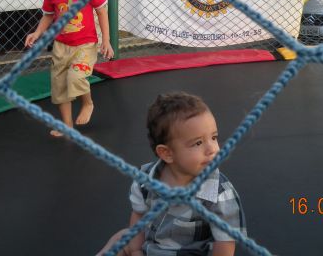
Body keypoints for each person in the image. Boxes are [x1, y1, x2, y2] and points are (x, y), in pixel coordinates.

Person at [97, 92, 246, 256]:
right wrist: (136, 250)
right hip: (150, 244)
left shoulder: (220, 194)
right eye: (198, 143)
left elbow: (225, 243)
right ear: (167, 153)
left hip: (188, 253)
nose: (212, 149)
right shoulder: (144, 179)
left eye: (214, 137)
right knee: (121, 238)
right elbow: (139, 216)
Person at [25, 0, 113, 137]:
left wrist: (106, 40)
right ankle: (67, 126)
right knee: (59, 86)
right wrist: (37, 32)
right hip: (61, 46)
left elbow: (101, 11)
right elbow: (48, 15)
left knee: (76, 76)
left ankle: (88, 103)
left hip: (85, 45)